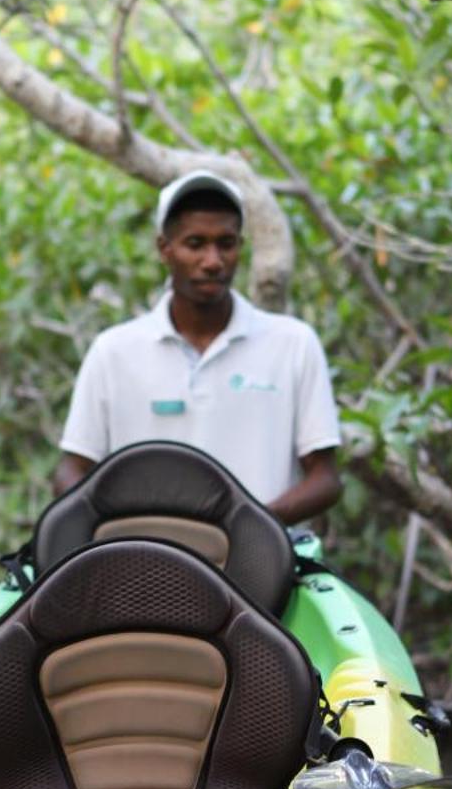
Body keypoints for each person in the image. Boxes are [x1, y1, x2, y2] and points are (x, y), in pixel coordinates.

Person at [56, 171, 341, 524]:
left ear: (241, 247)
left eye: (226, 243)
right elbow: (72, 469)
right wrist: (115, 528)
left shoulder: (293, 344)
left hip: (265, 568)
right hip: (142, 566)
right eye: (195, 244)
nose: (212, 261)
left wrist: (254, 528)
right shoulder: (113, 352)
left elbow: (325, 478)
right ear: (165, 249)